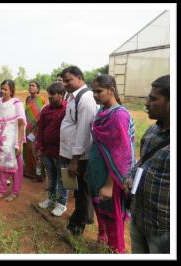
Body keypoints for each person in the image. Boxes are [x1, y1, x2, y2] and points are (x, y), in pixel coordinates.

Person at [86, 74, 135, 253]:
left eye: (99, 91)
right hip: (96, 172)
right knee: (100, 209)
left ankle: (116, 251)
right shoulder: (102, 111)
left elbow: (121, 156)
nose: (95, 95)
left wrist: (109, 185)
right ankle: (103, 237)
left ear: (111, 90)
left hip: (111, 178)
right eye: (93, 91)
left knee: (112, 217)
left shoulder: (119, 115)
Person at [124, 75, 170, 254]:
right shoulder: (152, 131)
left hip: (163, 232)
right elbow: (141, 162)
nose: (146, 103)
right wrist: (130, 176)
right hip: (139, 220)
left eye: (153, 98)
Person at [59, 66, 98, 235]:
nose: (66, 84)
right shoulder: (72, 96)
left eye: (69, 80)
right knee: (74, 188)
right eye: (64, 81)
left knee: (82, 191)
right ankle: (79, 217)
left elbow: (84, 131)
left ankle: (79, 224)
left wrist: (75, 160)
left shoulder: (86, 98)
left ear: (80, 78)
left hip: (79, 157)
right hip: (68, 152)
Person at [0, 79, 26, 202]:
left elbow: (21, 125)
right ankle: (2, 191)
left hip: (13, 140)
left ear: (11, 90)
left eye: (6, 89)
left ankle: (15, 192)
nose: (3, 91)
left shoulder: (16, 104)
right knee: (2, 166)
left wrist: (19, 144)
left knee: (16, 167)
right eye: (2, 88)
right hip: (0, 139)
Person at [36, 82, 69, 216]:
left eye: (52, 96)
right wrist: (39, 146)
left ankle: (62, 204)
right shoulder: (46, 109)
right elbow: (41, 128)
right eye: (48, 96)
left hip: (64, 152)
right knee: (51, 176)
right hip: (47, 151)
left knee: (65, 177)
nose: (49, 98)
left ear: (61, 94)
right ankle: (51, 199)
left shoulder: (68, 108)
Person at [23, 80, 47, 181]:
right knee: (27, 150)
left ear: (38, 88)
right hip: (27, 129)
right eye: (30, 86)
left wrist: (36, 128)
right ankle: (30, 172)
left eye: (33, 86)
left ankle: (39, 174)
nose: (31, 87)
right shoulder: (28, 99)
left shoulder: (42, 99)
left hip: (36, 130)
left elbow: (43, 115)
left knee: (36, 152)